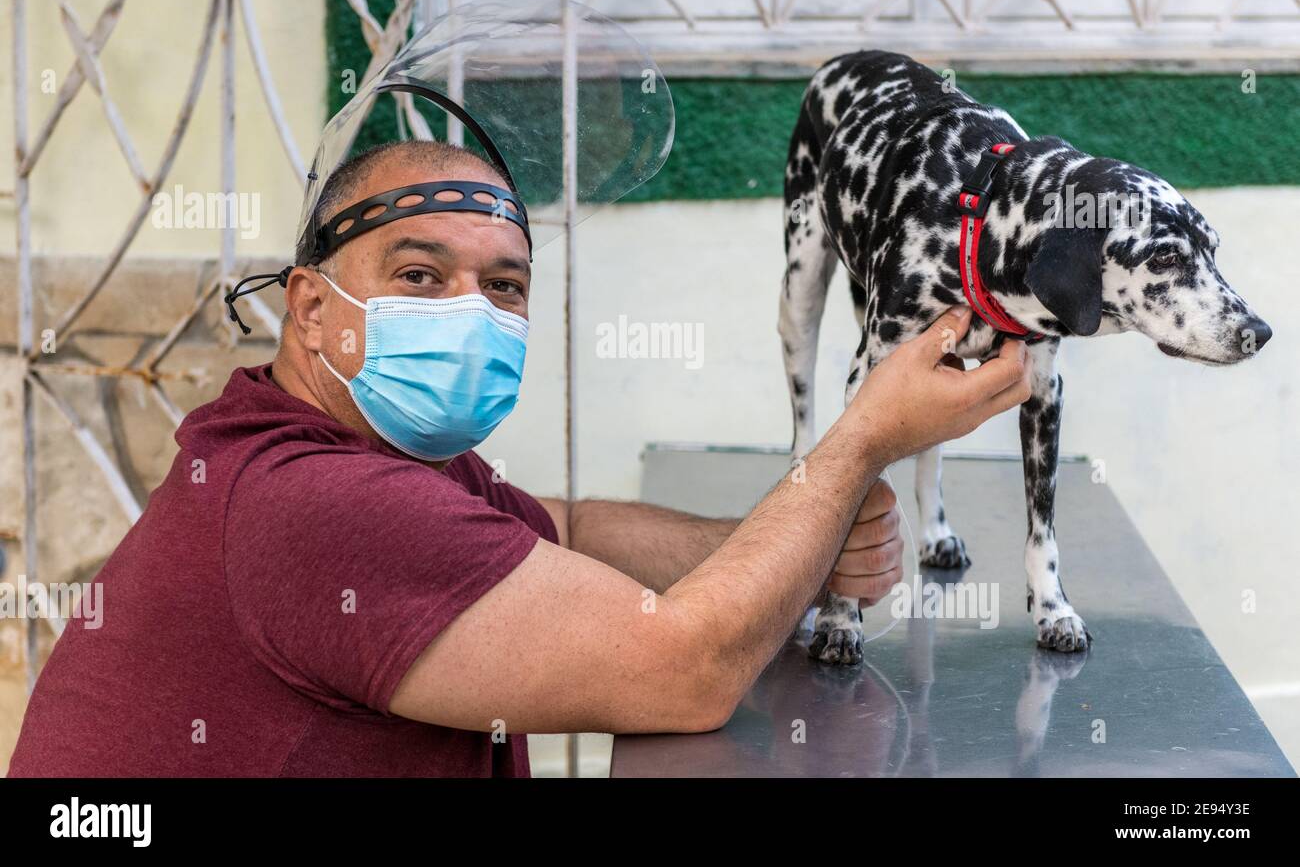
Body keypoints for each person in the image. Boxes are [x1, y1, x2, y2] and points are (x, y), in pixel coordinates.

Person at [7, 139, 1029, 777]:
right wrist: (859, 439)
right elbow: (687, 670)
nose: (470, 311)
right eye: (420, 273)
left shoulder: (356, 445)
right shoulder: (313, 503)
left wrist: (781, 554)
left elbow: (565, 529)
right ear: (312, 308)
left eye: (502, 287)